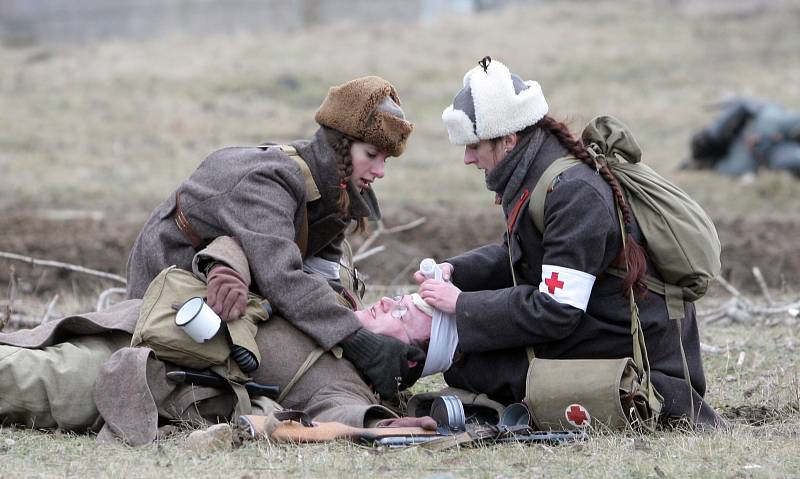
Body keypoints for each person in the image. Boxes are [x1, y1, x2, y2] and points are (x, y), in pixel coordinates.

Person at [416, 57, 724, 427]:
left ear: (508, 140)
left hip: (637, 345)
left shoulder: (572, 193)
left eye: (473, 146)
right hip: (595, 318)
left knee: (476, 365)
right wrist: (457, 272)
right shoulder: (532, 174)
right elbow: (519, 256)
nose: (467, 158)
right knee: (471, 362)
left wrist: (462, 304)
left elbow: (557, 308)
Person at [125, 76, 423, 399]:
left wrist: (358, 329)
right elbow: (283, 279)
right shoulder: (271, 182)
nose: (380, 171)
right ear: (340, 145)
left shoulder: (334, 192)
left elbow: (323, 281)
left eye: (385, 160)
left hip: (231, 270)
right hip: (169, 268)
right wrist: (360, 343)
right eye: (371, 155)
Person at [0, 237, 436, 445]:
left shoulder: (344, 381)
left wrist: (375, 428)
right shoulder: (330, 293)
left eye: (406, 313)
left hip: (135, 376)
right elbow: (247, 240)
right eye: (403, 297)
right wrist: (227, 269)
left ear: (410, 357)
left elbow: (334, 420)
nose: (391, 301)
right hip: (120, 322)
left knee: (18, 379)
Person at [686, 96, 800, 178]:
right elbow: (743, 106)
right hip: (773, 148)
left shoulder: (723, 132)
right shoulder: (735, 161)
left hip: (779, 127)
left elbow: (743, 106)